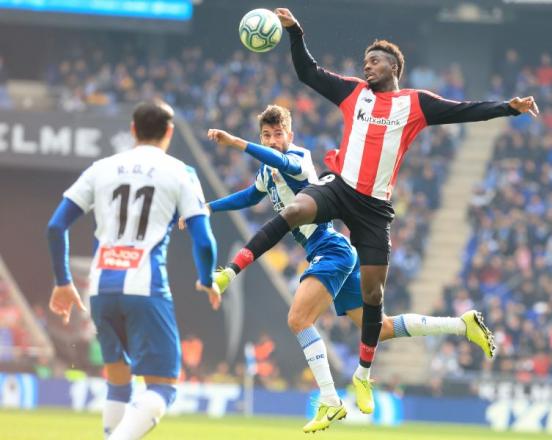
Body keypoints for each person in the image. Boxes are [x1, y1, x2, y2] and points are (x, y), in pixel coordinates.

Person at [215, 7, 538, 415]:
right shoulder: (353, 93)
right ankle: (232, 269)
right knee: (297, 208)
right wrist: (296, 32)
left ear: (394, 66)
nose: (366, 65)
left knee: (374, 297)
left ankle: (363, 377)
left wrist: (507, 108)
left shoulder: (415, 104)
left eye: (375, 60)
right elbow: (308, 73)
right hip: (340, 187)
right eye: (365, 60)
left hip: (374, 210)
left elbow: (464, 110)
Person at [200, 104, 494, 432]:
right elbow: (250, 197)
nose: (272, 140)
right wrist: (209, 207)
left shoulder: (298, 158)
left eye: (278, 134)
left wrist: (237, 143)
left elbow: (281, 161)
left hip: (331, 249)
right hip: (334, 253)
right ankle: (461, 326)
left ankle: (330, 399)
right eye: (266, 135)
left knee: (298, 319)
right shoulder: (266, 173)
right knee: (379, 328)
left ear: (290, 135)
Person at [47, 100, 219, 440]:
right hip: (146, 287)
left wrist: (64, 282)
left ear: (132, 130)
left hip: (100, 288)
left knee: (118, 380)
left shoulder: (102, 168)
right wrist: (206, 278)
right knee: (164, 386)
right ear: (169, 132)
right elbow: (204, 240)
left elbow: (55, 226)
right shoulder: (180, 172)